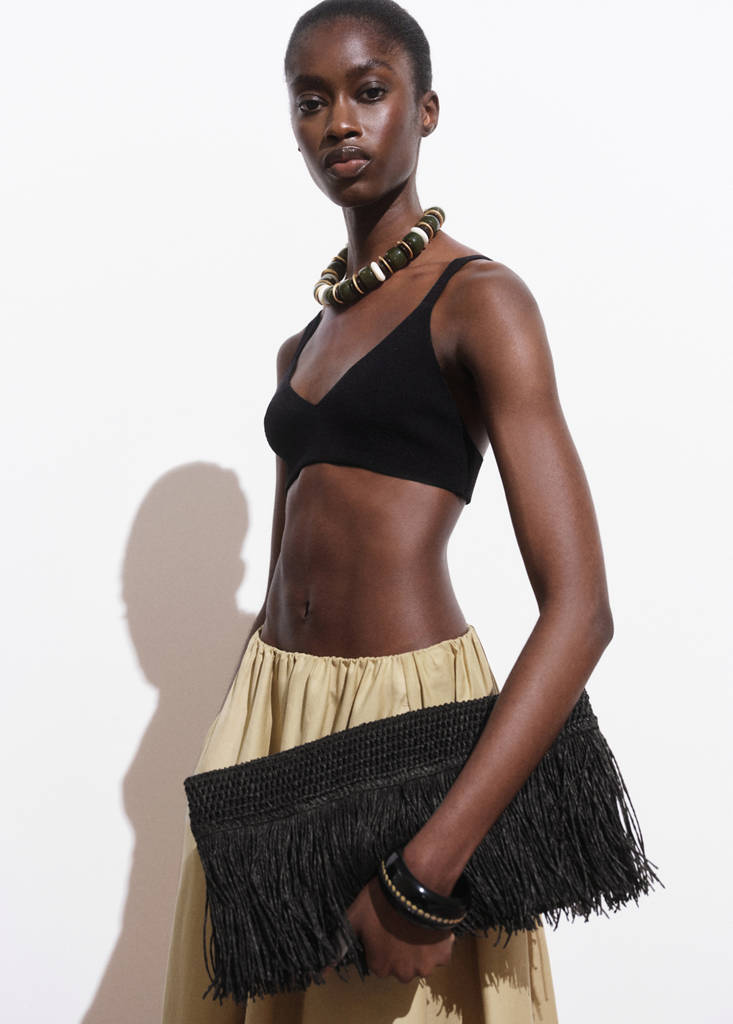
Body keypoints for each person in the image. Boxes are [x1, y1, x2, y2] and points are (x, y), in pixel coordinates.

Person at [162, 1, 614, 1021]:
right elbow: (283, 570)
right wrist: (232, 743)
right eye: (310, 101)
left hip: (406, 724)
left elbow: (581, 610)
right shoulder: (302, 345)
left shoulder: (481, 302)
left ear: (426, 109)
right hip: (272, 719)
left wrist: (428, 866)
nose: (339, 122)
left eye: (368, 91)